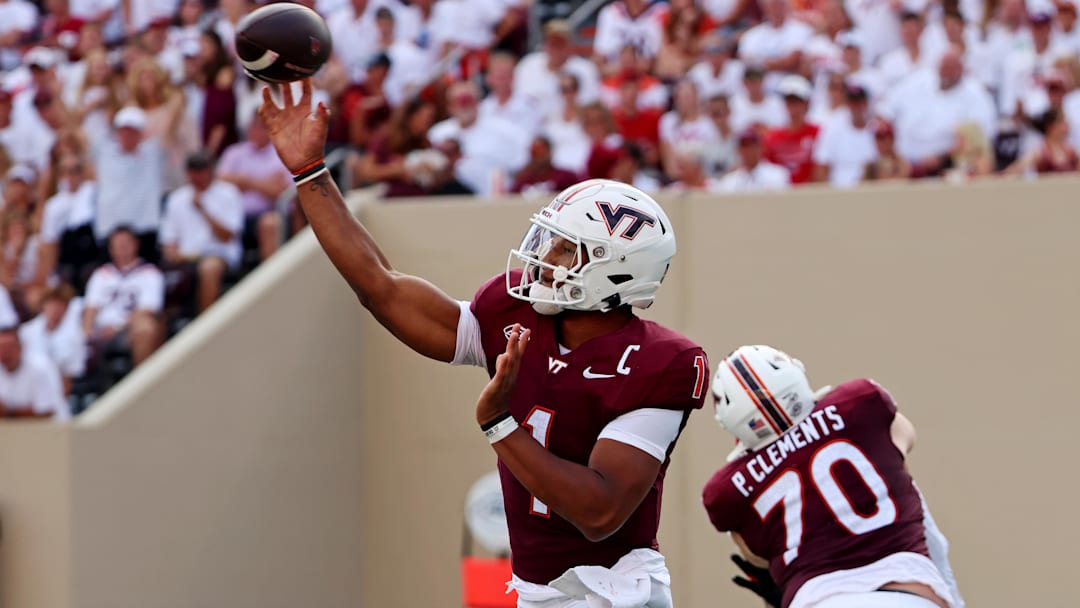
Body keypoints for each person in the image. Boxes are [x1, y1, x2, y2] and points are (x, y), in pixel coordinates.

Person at [258, 79, 710, 607]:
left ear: (614, 273)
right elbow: (382, 288)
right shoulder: (515, 314)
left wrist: (501, 425)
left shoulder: (660, 363)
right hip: (535, 589)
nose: (545, 256)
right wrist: (311, 173)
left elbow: (599, 512)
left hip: (613, 591)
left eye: (566, 249)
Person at [702, 345, 964, 608]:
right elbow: (903, 441)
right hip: (906, 597)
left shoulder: (729, 490)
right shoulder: (861, 403)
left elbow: (760, 560)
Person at [0, 326, 69, 421]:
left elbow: (47, 412)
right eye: (1, 348)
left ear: (21, 348)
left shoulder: (40, 368)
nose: (5, 353)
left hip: (52, 430)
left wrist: (8, 412)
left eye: (9, 348)